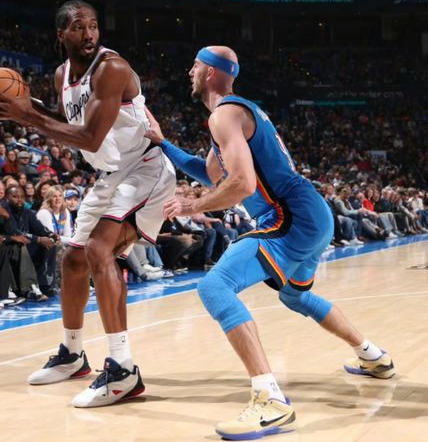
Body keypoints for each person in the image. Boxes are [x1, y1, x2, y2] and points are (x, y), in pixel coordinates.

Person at [145, 46, 394, 439]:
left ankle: (270, 401)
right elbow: (211, 173)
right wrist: (163, 143)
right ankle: (373, 356)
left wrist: (191, 205)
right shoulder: (236, 114)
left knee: (215, 286)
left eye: (195, 65)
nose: (189, 72)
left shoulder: (224, 115)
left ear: (211, 73)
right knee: (295, 296)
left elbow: (242, 184)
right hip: (312, 215)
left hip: (290, 217)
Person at [0, 0, 176, 407]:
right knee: (72, 261)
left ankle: (122, 370)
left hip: (145, 168)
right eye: (78, 27)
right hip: (111, 175)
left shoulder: (112, 68)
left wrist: (27, 116)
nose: (88, 34)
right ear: (61, 35)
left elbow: (89, 137)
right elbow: (64, 120)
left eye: (93, 25)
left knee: (99, 249)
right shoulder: (61, 75)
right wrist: (21, 107)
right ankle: (72, 354)